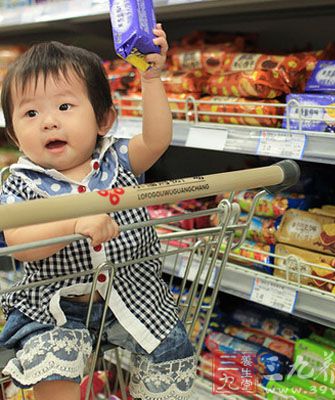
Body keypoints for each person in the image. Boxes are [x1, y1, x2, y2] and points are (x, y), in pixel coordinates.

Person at [0, 25, 196, 400]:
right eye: (30, 113)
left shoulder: (118, 160)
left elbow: (157, 140)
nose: (48, 121)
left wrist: (151, 77)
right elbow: (19, 244)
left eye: (64, 106)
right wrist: (73, 223)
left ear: (104, 120)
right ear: (13, 135)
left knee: (171, 350)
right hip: (56, 305)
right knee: (53, 363)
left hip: (135, 292)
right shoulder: (19, 182)